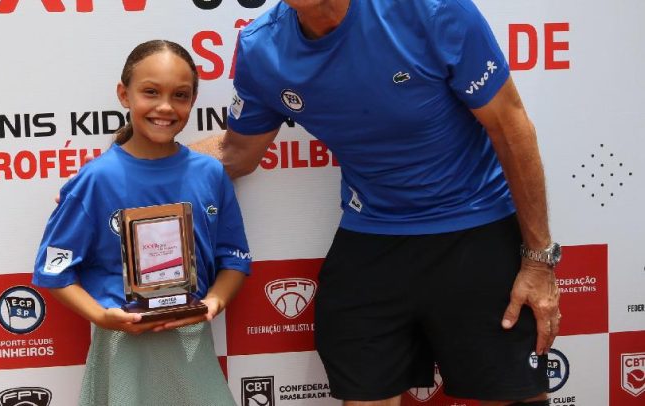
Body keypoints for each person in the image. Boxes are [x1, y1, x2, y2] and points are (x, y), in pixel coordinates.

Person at [191, 1, 561, 405]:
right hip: (372, 234)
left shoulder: (431, 10)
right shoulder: (262, 47)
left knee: (514, 396)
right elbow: (238, 153)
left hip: (475, 225)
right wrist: (150, 164)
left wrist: (538, 261)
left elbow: (511, 127)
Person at [32, 39, 250, 406]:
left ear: (192, 101)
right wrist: (103, 317)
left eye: (180, 95)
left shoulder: (210, 174)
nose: (165, 106)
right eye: (151, 92)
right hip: (122, 346)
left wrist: (213, 301)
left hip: (191, 340)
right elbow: (53, 271)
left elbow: (235, 258)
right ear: (124, 94)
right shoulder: (96, 179)